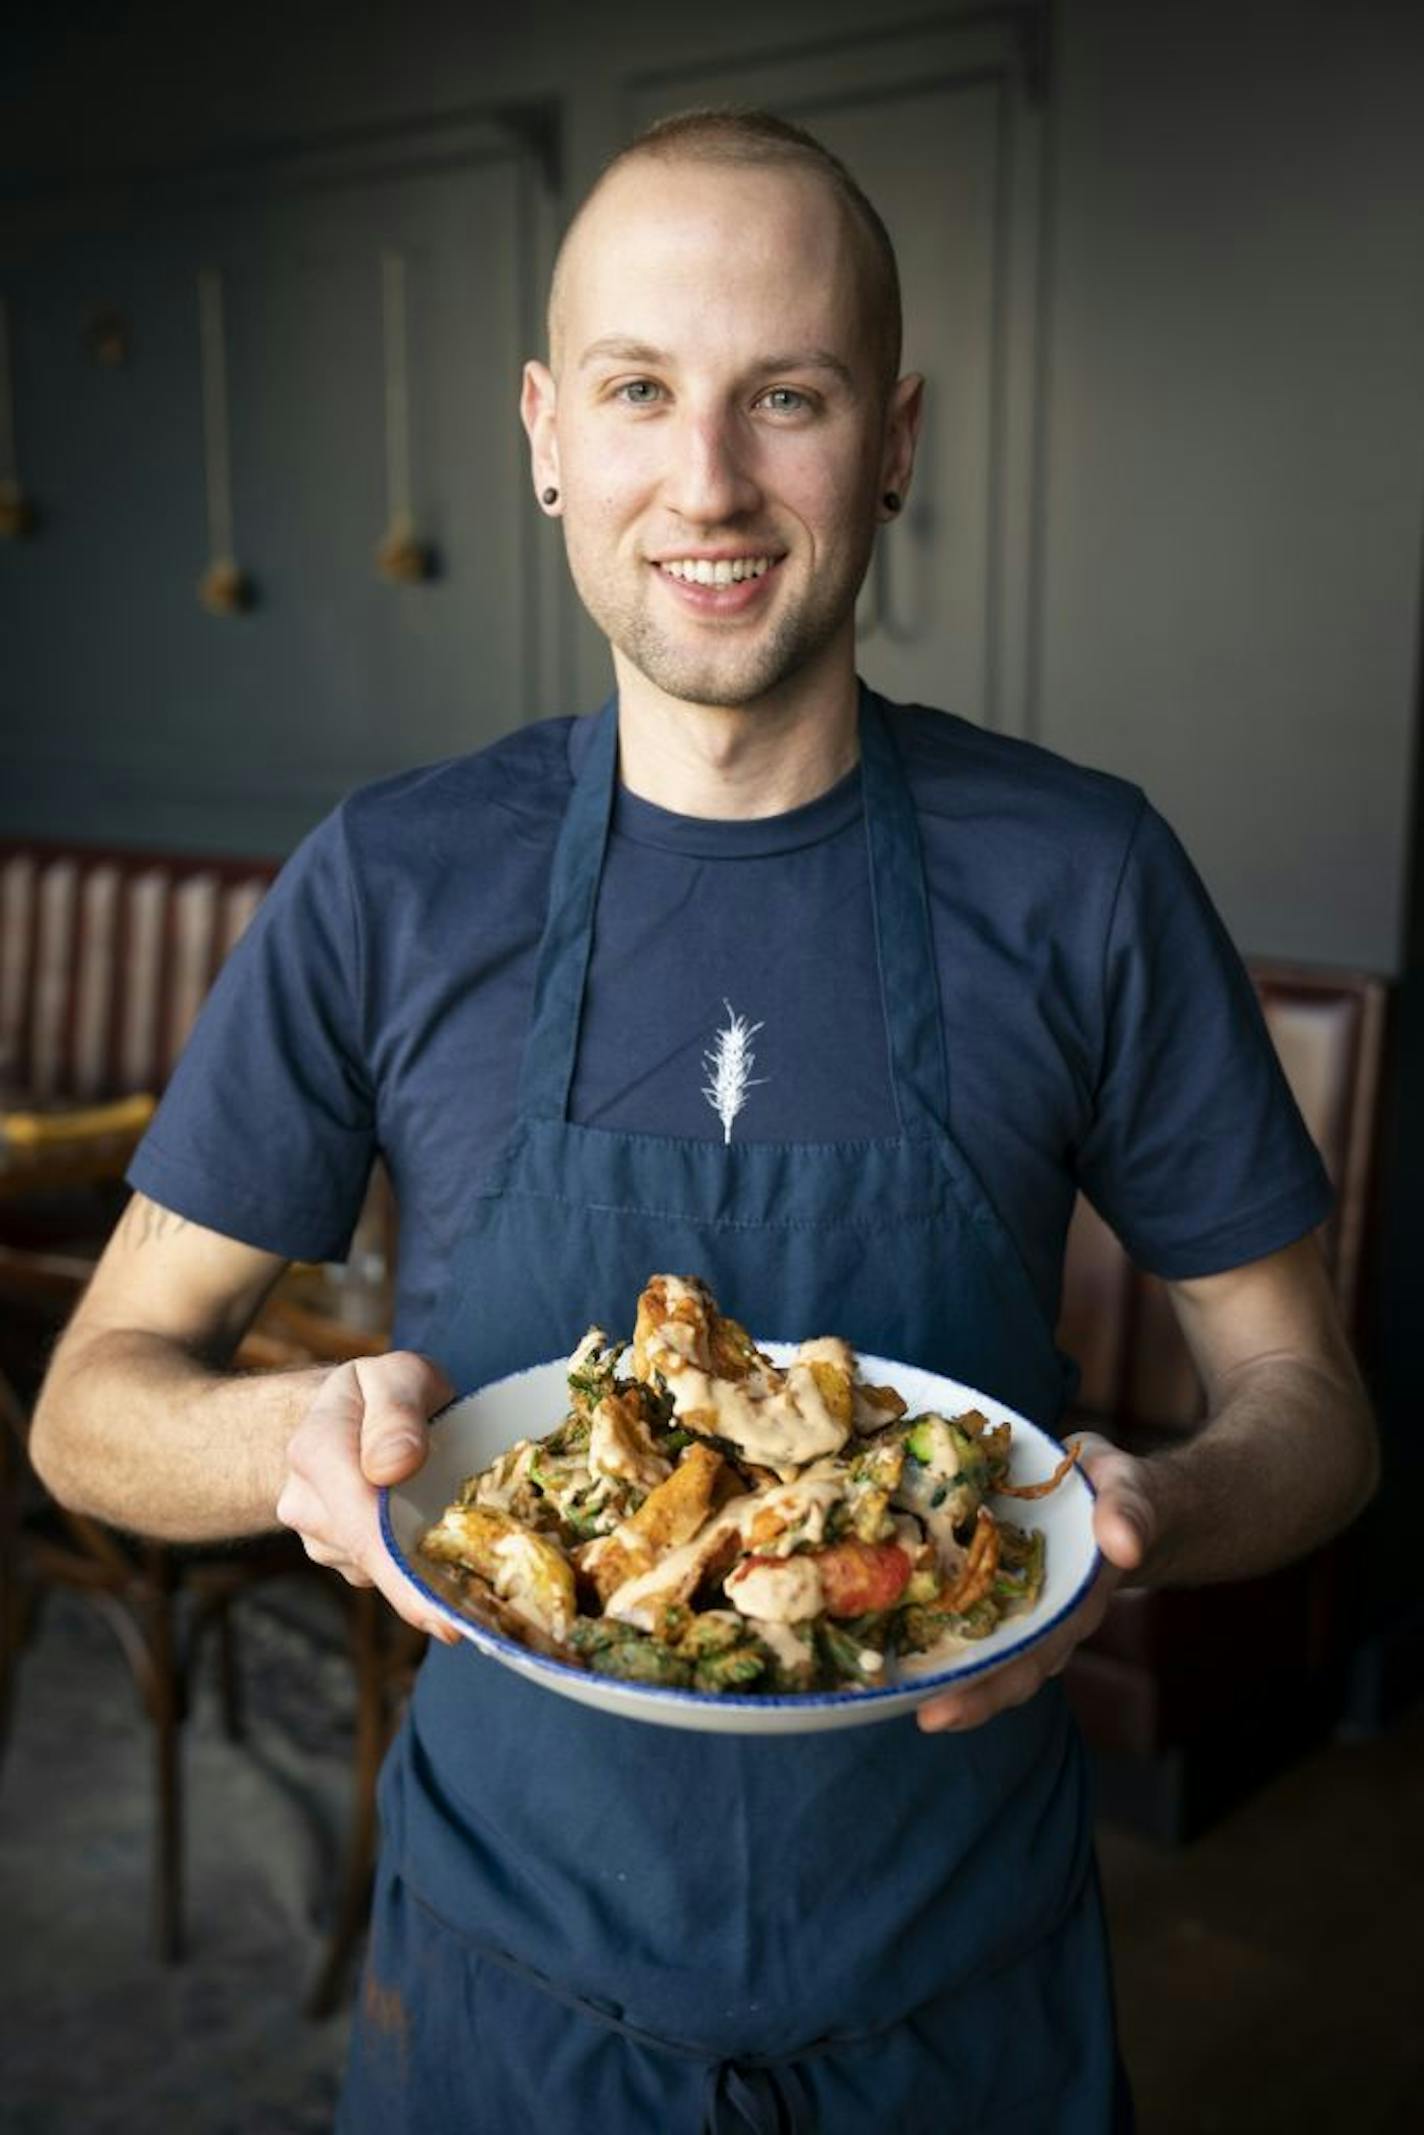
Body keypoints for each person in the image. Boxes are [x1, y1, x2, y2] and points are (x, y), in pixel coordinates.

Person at [31, 108, 1377, 2134]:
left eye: (791, 397)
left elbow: (1316, 1412)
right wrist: (290, 1448)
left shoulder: (1082, 875)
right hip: (505, 2008)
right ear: (544, 433)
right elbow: (90, 1407)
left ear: (896, 438)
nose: (711, 480)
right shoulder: (393, 878)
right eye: (640, 390)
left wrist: (1149, 1516)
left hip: (963, 2005)